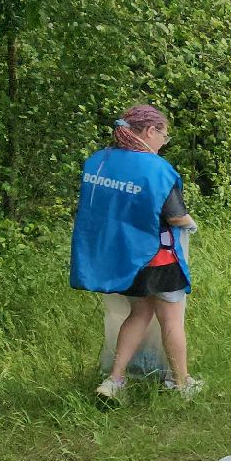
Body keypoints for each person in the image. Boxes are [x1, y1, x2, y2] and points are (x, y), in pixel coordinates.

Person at [70, 104, 203, 401]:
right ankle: (181, 384)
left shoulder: (99, 162)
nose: (162, 142)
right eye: (163, 135)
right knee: (171, 319)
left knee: (139, 313)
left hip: (126, 260)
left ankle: (115, 380)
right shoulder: (156, 169)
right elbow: (175, 216)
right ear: (149, 130)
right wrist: (190, 224)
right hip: (160, 257)